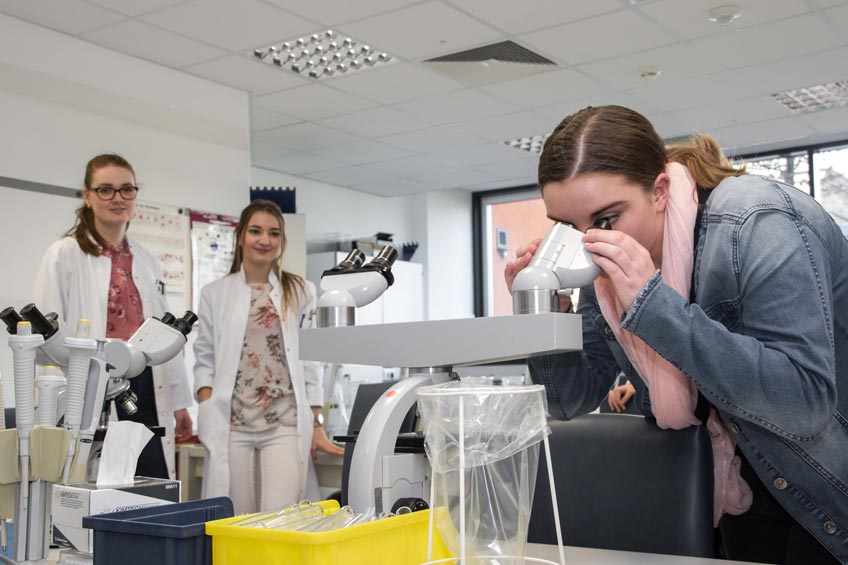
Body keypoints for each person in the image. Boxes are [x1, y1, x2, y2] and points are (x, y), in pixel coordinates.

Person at [504, 106, 847, 565]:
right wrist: (546, 313)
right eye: (567, 226)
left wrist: (652, 305)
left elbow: (803, 405)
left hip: (826, 484)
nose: (587, 243)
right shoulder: (607, 267)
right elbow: (568, 400)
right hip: (737, 486)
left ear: (660, 191)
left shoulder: (758, 221)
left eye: (606, 218)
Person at [34, 153, 193, 480]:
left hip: (144, 382)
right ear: (87, 196)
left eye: (126, 190)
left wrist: (179, 402)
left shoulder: (145, 259)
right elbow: (44, 339)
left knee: (149, 482)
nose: (117, 198)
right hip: (89, 383)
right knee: (92, 485)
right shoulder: (64, 254)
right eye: (105, 190)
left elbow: (164, 333)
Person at [193, 199, 344, 514]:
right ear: (240, 237)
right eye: (256, 231)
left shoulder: (301, 290)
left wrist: (316, 422)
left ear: (282, 241)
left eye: (274, 233)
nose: (265, 240)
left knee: (281, 518)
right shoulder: (215, 292)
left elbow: (311, 360)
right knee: (236, 518)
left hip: (285, 421)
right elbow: (204, 355)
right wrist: (207, 404)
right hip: (231, 422)